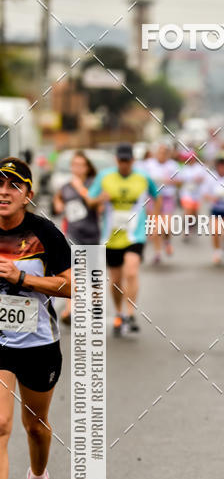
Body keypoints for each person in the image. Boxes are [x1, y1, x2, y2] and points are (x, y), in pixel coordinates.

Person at [0, 158, 72, 479]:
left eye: (13, 186)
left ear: (28, 194)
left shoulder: (45, 234)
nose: (4, 192)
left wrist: (23, 277)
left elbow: (75, 287)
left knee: (35, 427)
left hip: (38, 345)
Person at [88, 143, 161, 337]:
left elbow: (157, 195)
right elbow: (89, 200)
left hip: (135, 235)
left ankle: (130, 314)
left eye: (127, 161)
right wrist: (99, 200)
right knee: (116, 281)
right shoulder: (105, 177)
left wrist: (155, 220)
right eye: (121, 161)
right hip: (111, 237)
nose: (124, 164)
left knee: (131, 270)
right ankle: (119, 313)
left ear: (132, 161)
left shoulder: (143, 178)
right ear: (116, 160)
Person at [53, 150, 100, 323]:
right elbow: (57, 203)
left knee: (94, 275)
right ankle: (69, 311)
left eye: (81, 165)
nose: (77, 168)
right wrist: (58, 204)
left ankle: (96, 305)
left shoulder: (93, 184)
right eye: (74, 165)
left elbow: (97, 205)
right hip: (73, 234)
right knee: (75, 272)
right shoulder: (66, 186)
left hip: (92, 233)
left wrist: (80, 187)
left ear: (87, 168)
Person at [143, 143, 180, 264]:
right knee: (155, 227)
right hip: (152, 198)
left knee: (166, 225)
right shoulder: (149, 164)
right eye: (160, 152)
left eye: (165, 152)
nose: (162, 155)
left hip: (167, 197)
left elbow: (180, 182)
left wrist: (169, 181)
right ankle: (157, 252)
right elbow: (143, 179)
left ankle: (167, 241)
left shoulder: (173, 165)